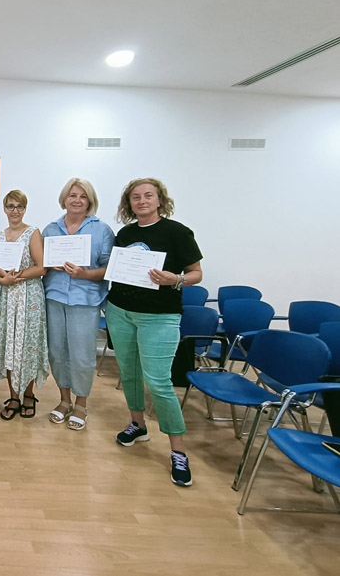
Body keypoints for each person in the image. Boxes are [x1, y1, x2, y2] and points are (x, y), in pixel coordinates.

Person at [106, 177, 203, 488]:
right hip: (120, 311)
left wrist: (175, 279)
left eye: (148, 195)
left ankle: (178, 452)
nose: (142, 201)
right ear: (129, 203)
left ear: (160, 200)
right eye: (135, 197)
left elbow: (196, 273)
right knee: (130, 373)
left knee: (159, 382)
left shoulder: (177, 232)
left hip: (160, 317)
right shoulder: (125, 234)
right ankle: (138, 425)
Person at [42, 178, 114, 431]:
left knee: (82, 356)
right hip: (54, 297)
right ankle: (64, 400)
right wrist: (48, 264)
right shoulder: (50, 229)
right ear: (64, 199)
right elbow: (41, 264)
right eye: (72, 195)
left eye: (83, 196)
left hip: (86, 300)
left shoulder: (102, 230)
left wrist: (85, 273)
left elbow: (109, 269)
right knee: (56, 353)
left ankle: (81, 403)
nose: (77, 200)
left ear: (90, 201)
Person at [0, 190, 49, 420]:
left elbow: (41, 267)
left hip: (28, 297)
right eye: (11, 206)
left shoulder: (33, 233)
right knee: (9, 345)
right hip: (6, 296)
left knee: (27, 346)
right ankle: (13, 396)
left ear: (25, 209)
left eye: (19, 206)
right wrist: (2, 280)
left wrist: (15, 276)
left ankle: (29, 394)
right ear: (4, 208)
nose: (15, 211)